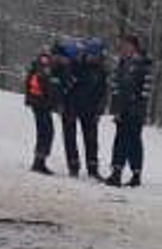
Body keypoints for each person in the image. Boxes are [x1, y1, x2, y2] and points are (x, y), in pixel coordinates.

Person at [106, 34, 153, 188]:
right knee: (123, 139)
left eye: (127, 45)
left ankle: (131, 173)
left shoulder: (142, 65)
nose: (124, 48)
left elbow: (143, 91)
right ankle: (120, 172)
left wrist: (135, 107)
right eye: (123, 45)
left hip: (134, 110)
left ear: (134, 46)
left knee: (131, 141)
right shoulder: (122, 63)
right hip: (123, 108)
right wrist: (116, 108)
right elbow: (116, 88)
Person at [62, 38, 109, 180]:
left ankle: (93, 169)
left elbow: (103, 92)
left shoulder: (102, 70)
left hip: (90, 109)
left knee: (91, 139)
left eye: (100, 56)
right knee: (70, 136)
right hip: (71, 106)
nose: (97, 58)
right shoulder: (75, 65)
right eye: (95, 55)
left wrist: (100, 110)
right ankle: (73, 166)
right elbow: (65, 83)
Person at [24, 49, 63, 175]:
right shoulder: (45, 66)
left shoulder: (46, 66)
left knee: (46, 132)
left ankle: (40, 161)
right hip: (40, 104)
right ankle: (38, 162)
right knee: (46, 132)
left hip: (40, 103)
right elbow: (45, 85)